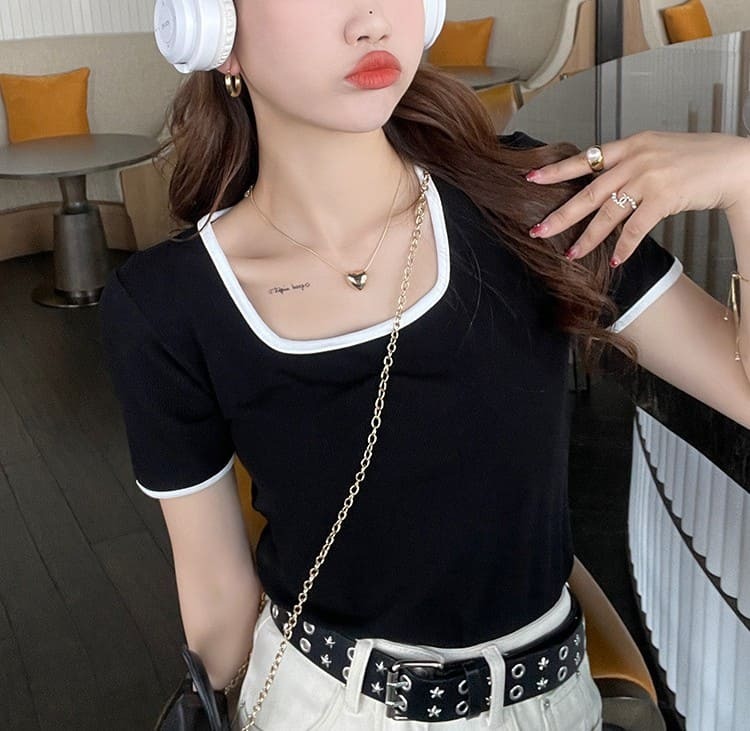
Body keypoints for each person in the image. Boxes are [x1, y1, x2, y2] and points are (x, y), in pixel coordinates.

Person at [99, 1, 750, 729]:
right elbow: (218, 630)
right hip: (321, 706)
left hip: (552, 703)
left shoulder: (526, 202)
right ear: (214, 28)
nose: (372, 19)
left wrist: (743, 180)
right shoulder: (164, 304)